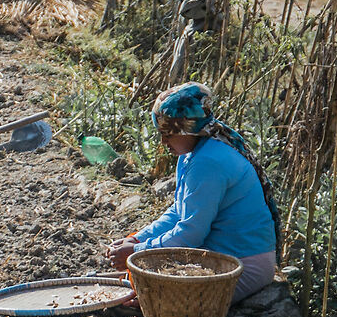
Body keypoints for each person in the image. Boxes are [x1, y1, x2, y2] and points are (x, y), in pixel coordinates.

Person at [103, 82, 280, 301]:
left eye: (168, 134)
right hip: (220, 256)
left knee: (152, 297)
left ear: (188, 129)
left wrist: (139, 250)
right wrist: (137, 238)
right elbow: (179, 211)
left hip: (244, 263)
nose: (163, 141)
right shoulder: (193, 153)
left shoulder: (208, 162)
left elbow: (191, 233)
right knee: (139, 286)